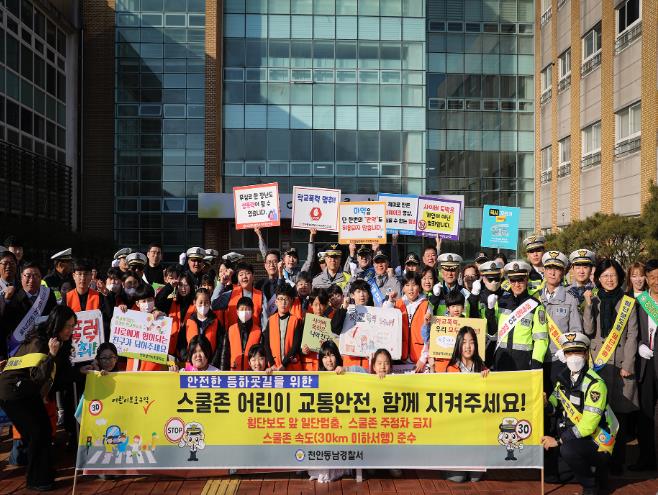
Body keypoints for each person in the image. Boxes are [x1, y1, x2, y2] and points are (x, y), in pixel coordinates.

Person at [0, 305, 76, 491]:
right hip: (12, 392)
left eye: (73, 326)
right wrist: (51, 355)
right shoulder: (39, 342)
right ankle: (37, 479)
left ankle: (43, 473)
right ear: (58, 324)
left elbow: (61, 376)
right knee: (37, 433)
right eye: (68, 325)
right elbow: (38, 376)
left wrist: (81, 371)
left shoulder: (58, 342)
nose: (71, 330)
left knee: (43, 430)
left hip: (28, 391)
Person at [542, 332, 617, 495]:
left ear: (586, 354)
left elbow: (588, 426)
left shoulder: (595, 384)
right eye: (569, 352)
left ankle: (591, 485)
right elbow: (554, 406)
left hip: (598, 440)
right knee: (552, 475)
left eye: (578, 352)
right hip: (576, 439)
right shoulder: (563, 379)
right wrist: (546, 404)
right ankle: (594, 472)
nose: (574, 356)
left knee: (567, 451)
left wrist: (558, 441)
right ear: (564, 355)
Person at [582, 258, 638, 474]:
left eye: (612, 275)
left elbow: (632, 335)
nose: (609, 279)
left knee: (619, 415)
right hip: (599, 362)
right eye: (604, 276)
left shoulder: (628, 302)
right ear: (598, 278)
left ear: (620, 277)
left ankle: (617, 462)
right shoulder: (594, 299)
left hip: (621, 363)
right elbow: (588, 330)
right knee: (598, 412)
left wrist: (628, 364)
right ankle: (599, 459)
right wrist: (588, 305)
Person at [435, 326, 488, 483]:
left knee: (475, 479)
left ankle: (474, 462)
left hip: (475, 429)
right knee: (458, 478)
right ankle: (446, 464)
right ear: (458, 344)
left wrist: (487, 379)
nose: (468, 346)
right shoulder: (451, 368)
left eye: (471, 342)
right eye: (464, 342)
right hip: (457, 429)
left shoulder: (482, 367)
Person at [487, 260, 548, 372]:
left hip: (523, 363)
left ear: (527, 279)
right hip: (501, 360)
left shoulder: (535, 305)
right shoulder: (500, 302)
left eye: (520, 280)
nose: (517, 284)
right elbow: (492, 334)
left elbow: (541, 339)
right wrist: (490, 311)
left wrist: (536, 362)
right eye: (513, 280)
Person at [538, 251, 583, 389]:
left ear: (563, 272)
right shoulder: (535, 297)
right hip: (536, 358)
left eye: (557, 269)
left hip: (559, 359)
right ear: (544, 270)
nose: (552, 273)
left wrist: (566, 351)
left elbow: (576, 331)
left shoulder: (570, 299)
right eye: (549, 268)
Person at [632, 258, 658, 472]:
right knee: (645, 414)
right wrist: (640, 345)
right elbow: (635, 330)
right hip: (646, 364)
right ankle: (646, 457)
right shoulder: (640, 302)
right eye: (651, 277)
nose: (655, 281)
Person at [2, 262, 58, 359]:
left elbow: (54, 319)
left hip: (43, 347)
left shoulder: (48, 295)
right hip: (20, 349)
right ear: (21, 277)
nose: (32, 280)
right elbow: (5, 326)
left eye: (36, 276)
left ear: (41, 278)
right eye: (28, 276)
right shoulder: (13, 297)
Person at [65, 259, 114, 340]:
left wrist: (106, 294)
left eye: (86, 274)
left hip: (93, 340)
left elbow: (108, 316)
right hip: (72, 339)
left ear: (91, 276)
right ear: (74, 276)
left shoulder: (99, 296)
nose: (83, 278)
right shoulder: (67, 297)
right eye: (79, 274)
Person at [330, 280, 372, 370]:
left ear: (368, 294)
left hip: (369, 363)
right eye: (358, 291)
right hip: (350, 362)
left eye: (364, 291)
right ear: (352, 295)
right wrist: (343, 308)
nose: (362, 295)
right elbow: (335, 328)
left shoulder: (375, 313)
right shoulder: (345, 311)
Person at [390, 272, 429, 369]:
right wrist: (390, 301)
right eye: (407, 285)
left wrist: (423, 358)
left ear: (419, 287)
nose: (411, 289)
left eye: (414, 285)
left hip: (419, 360)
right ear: (403, 288)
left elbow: (429, 335)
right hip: (399, 358)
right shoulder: (397, 304)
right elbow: (385, 321)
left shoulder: (426, 305)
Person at [212, 262, 265, 331]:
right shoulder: (230, 294)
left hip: (255, 335)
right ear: (238, 278)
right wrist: (221, 283)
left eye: (248, 273)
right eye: (241, 274)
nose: (244, 276)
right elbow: (214, 304)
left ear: (253, 276)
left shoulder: (261, 296)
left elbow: (264, 323)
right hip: (233, 335)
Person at [155, 272, 195, 360]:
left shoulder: (196, 305)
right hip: (170, 349)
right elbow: (158, 301)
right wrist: (169, 286)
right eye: (180, 285)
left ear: (191, 286)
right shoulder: (172, 302)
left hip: (188, 351)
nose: (183, 288)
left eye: (186, 285)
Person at [185, 288, 228, 369]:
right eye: (200, 302)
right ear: (194, 302)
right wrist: (187, 357)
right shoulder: (188, 322)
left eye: (206, 302)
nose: (203, 305)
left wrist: (213, 362)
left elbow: (220, 345)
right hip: (191, 366)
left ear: (210, 303)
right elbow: (181, 344)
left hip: (211, 366)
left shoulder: (216, 322)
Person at [263, 284, 303, 371]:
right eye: (280, 299)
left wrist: (284, 364)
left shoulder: (296, 320)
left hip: (291, 366)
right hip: (274, 367)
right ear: (276, 302)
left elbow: (296, 345)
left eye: (286, 299)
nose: (283, 303)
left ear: (291, 301)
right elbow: (266, 343)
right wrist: (272, 363)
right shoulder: (271, 320)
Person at [300, 288, 333, 370]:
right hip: (309, 365)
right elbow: (297, 343)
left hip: (325, 366)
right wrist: (302, 350)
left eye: (321, 304)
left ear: (326, 305)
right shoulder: (305, 321)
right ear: (310, 305)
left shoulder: (330, 323)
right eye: (315, 304)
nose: (318, 308)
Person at [227, 297, 262, 371]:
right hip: (233, 372)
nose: (244, 312)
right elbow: (224, 353)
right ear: (237, 312)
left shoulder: (258, 331)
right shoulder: (231, 330)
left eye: (247, 309)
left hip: (252, 372)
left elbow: (262, 354)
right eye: (242, 309)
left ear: (252, 311)